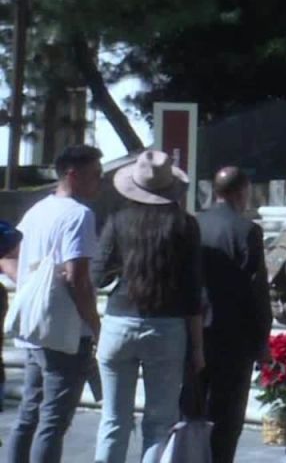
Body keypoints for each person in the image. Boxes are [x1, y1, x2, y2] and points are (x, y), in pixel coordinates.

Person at [92, 151, 204, 463]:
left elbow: (97, 277)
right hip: (167, 328)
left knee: (114, 420)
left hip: (118, 322)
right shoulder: (185, 226)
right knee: (159, 424)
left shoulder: (117, 222)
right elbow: (193, 293)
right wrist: (197, 348)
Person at [2, 145, 104, 463]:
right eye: (95, 175)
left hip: (34, 326)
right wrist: (95, 324)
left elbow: (17, 258)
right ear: (73, 174)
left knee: (29, 414)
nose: (100, 182)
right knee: (53, 421)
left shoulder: (37, 211)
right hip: (65, 331)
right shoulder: (79, 215)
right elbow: (79, 279)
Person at [196, 166, 271, 463]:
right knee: (227, 416)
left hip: (196, 330)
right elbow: (257, 290)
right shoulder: (247, 231)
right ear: (242, 191)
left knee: (192, 408)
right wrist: (262, 339)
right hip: (233, 336)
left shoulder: (193, 225)